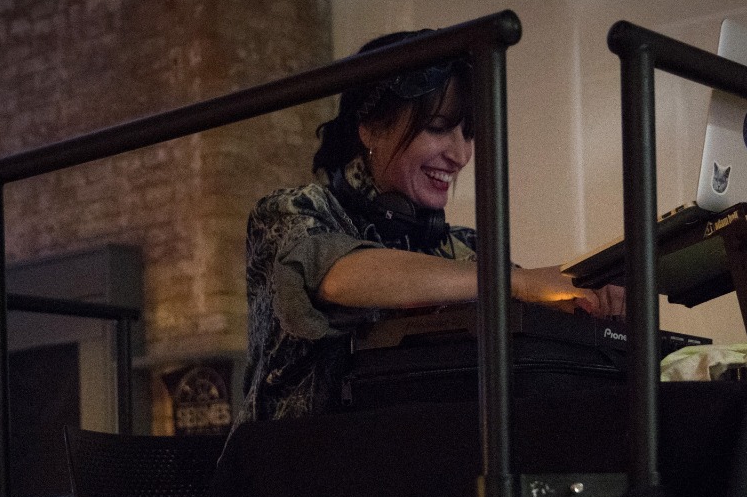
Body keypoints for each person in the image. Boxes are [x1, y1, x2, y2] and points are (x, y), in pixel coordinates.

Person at [240, 29, 624, 422]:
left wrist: (589, 299)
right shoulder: (291, 211)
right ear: (371, 127)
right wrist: (518, 281)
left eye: (468, 134)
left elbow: (533, 311)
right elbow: (339, 275)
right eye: (438, 127)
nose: (460, 155)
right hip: (292, 454)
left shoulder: (463, 248)